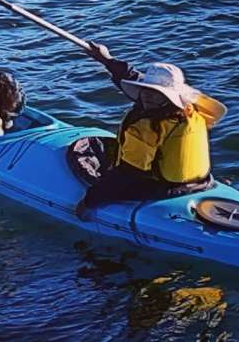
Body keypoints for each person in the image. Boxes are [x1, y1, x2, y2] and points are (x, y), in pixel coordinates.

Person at [74, 41, 227, 221]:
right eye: (146, 91)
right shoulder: (190, 109)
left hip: (161, 189)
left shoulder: (147, 128)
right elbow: (132, 78)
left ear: (169, 97)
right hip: (201, 184)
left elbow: (130, 173)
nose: (147, 96)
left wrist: (91, 200)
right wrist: (106, 59)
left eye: (156, 93)